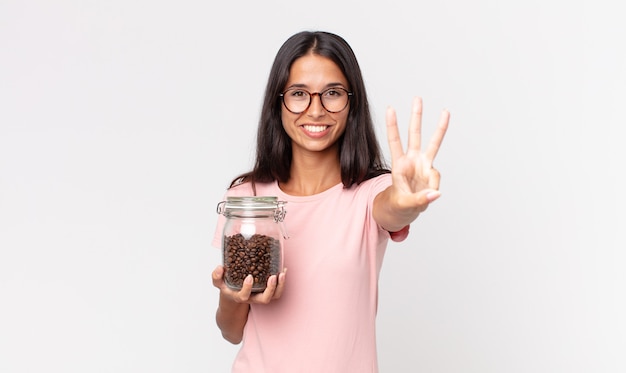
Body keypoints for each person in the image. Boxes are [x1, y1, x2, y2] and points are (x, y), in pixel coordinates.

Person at [211, 30, 449, 373]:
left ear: (352, 102)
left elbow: (392, 207)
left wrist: (407, 198)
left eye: (333, 93)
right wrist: (233, 294)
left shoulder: (370, 192)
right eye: (298, 94)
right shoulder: (245, 199)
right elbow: (231, 331)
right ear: (278, 101)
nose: (316, 109)